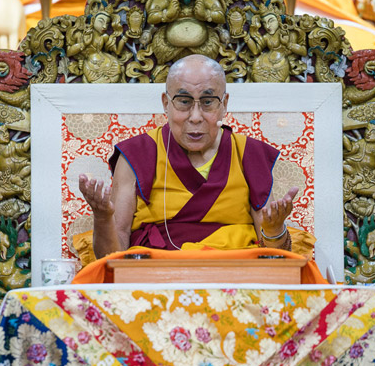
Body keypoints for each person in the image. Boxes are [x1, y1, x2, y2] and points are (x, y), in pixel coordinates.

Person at [79, 54, 301, 259]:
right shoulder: (138, 154)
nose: (195, 117)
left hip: (235, 276)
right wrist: (102, 217)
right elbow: (112, 258)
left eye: (208, 102)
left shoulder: (248, 154)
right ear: (166, 104)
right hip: (155, 278)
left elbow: (275, 260)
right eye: (184, 102)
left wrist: (274, 230)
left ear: (224, 104)